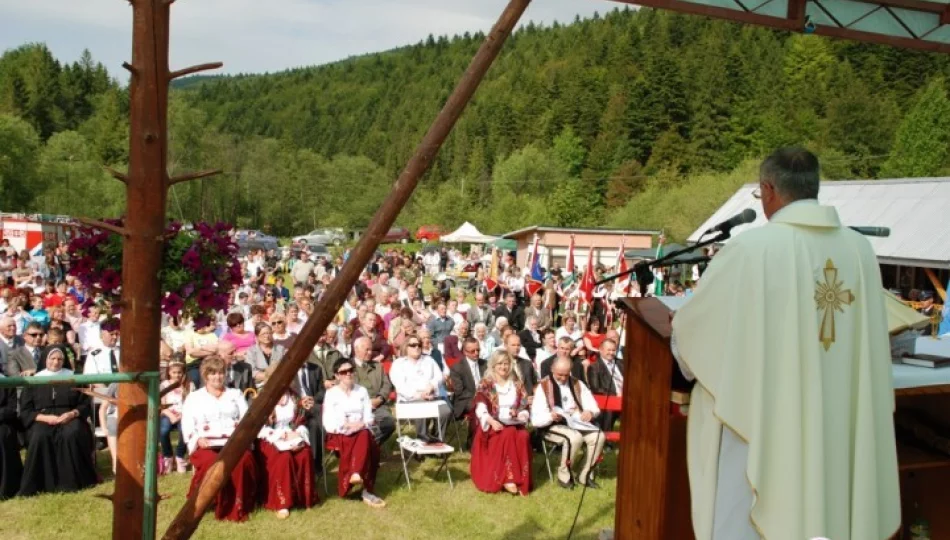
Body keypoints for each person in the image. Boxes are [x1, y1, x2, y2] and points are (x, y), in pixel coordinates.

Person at [670, 148, 900, 540]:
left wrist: (683, 349)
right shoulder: (860, 251)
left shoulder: (751, 249)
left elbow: (692, 333)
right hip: (838, 419)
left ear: (768, 189)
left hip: (765, 421)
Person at [181, 356, 258, 522]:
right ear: (205, 375)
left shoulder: (235, 394)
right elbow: (187, 424)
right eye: (213, 373)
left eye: (220, 373)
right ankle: (211, 501)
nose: (217, 377)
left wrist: (240, 439)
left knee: (242, 461)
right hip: (206, 443)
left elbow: (246, 420)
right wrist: (198, 438)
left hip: (232, 442)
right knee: (212, 463)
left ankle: (237, 505)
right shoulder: (194, 398)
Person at [19, 347, 98, 496]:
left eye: (59, 359)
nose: (56, 362)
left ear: (64, 361)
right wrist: (45, 418)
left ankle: (73, 482)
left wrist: (72, 413)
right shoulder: (35, 379)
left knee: (72, 433)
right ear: (45, 360)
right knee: (40, 436)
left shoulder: (74, 377)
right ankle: (41, 483)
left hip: (70, 416)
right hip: (43, 417)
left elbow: (85, 404)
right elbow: (26, 410)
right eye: (52, 358)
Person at [531, 357, 603, 490]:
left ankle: (585, 474)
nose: (564, 378)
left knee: (598, 436)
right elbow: (535, 419)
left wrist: (590, 413)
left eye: (566, 374)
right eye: (560, 375)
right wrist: (550, 416)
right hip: (551, 425)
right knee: (574, 438)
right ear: (552, 370)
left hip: (577, 422)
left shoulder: (577, 383)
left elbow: (593, 406)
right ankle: (564, 475)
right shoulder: (543, 386)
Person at [322, 357, 386, 508]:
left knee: (365, 436)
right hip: (339, 433)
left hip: (361, 429)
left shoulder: (361, 391)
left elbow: (369, 416)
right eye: (343, 372)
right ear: (337, 376)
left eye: (351, 371)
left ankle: (356, 475)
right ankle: (366, 488)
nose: (348, 374)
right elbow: (328, 422)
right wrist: (345, 426)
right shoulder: (331, 394)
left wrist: (361, 424)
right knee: (367, 441)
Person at [256, 368, 318, 519]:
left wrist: (299, 434)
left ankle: (303, 499)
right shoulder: (262, 398)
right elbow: (258, 428)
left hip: (292, 436)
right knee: (284, 458)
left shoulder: (294, 397)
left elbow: (301, 421)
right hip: (269, 439)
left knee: (304, 454)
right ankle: (282, 502)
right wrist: (282, 435)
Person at [470, 350, 533, 495]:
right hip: (493, 423)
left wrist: (518, 414)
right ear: (493, 365)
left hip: (514, 422)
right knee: (507, 433)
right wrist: (491, 421)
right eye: (500, 363)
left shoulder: (516, 384)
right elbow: (481, 407)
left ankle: (523, 479)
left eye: (506, 363)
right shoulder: (486, 384)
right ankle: (509, 478)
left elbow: (524, 407)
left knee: (524, 436)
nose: (503, 367)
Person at [390, 338, 450, 443]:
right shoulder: (398, 364)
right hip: (409, 400)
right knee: (421, 408)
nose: (417, 347)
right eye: (413, 345)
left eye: (419, 344)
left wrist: (432, 385)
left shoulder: (429, 360)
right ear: (406, 347)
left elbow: (439, 376)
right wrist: (419, 395)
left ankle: (437, 440)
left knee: (445, 411)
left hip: (431, 396)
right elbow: (400, 386)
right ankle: (422, 441)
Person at [351, 336, 396, 445]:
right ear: (356, 349)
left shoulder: (377, 366)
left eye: (371, 349)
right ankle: (364, 449)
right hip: (356, 407)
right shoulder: (348, 367)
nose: (370, 352)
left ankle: (368, 447)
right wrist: (364, 403)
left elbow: (387, 385)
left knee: (389, 423)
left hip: (377, 404)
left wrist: (380, 398)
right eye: (366, 349)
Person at [449, 337, 486, 449]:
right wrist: (477, 397)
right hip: (465, 400)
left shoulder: (485, 364)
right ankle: (473, 442)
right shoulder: (457, 368)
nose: (476, 353)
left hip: (485, 397)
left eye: (478, 350)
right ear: (464, 352)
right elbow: (460, 392)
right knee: (478, 407)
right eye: (472, 351)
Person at [160, 360, 193, 474]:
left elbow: (191, 404)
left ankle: (179, 456)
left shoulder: (189, 385)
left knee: (184, 431)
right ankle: (168, 456)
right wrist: (171, 415)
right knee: (163, 430)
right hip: (168, 413)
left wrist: (182, 415)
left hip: (184, 414)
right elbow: (161, 405)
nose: (177, 375)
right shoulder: (164, 385)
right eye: (174, 372)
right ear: (169, 372)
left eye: (179, 372)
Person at [585, 339, 623, 432]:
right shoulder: (594, 367)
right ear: (601, 350)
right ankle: (606, 438)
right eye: (608, 350)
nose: (611, 352)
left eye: (613, 350)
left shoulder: (621, 363)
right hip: (608, 399)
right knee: (608, 408)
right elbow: (596, 388)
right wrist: (615, 395)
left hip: (626, 398)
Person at [0, 372, 22, 499]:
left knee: (3, 435)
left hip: (2, 422)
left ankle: (5, 488)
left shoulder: (6, 382)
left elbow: (12, 409)